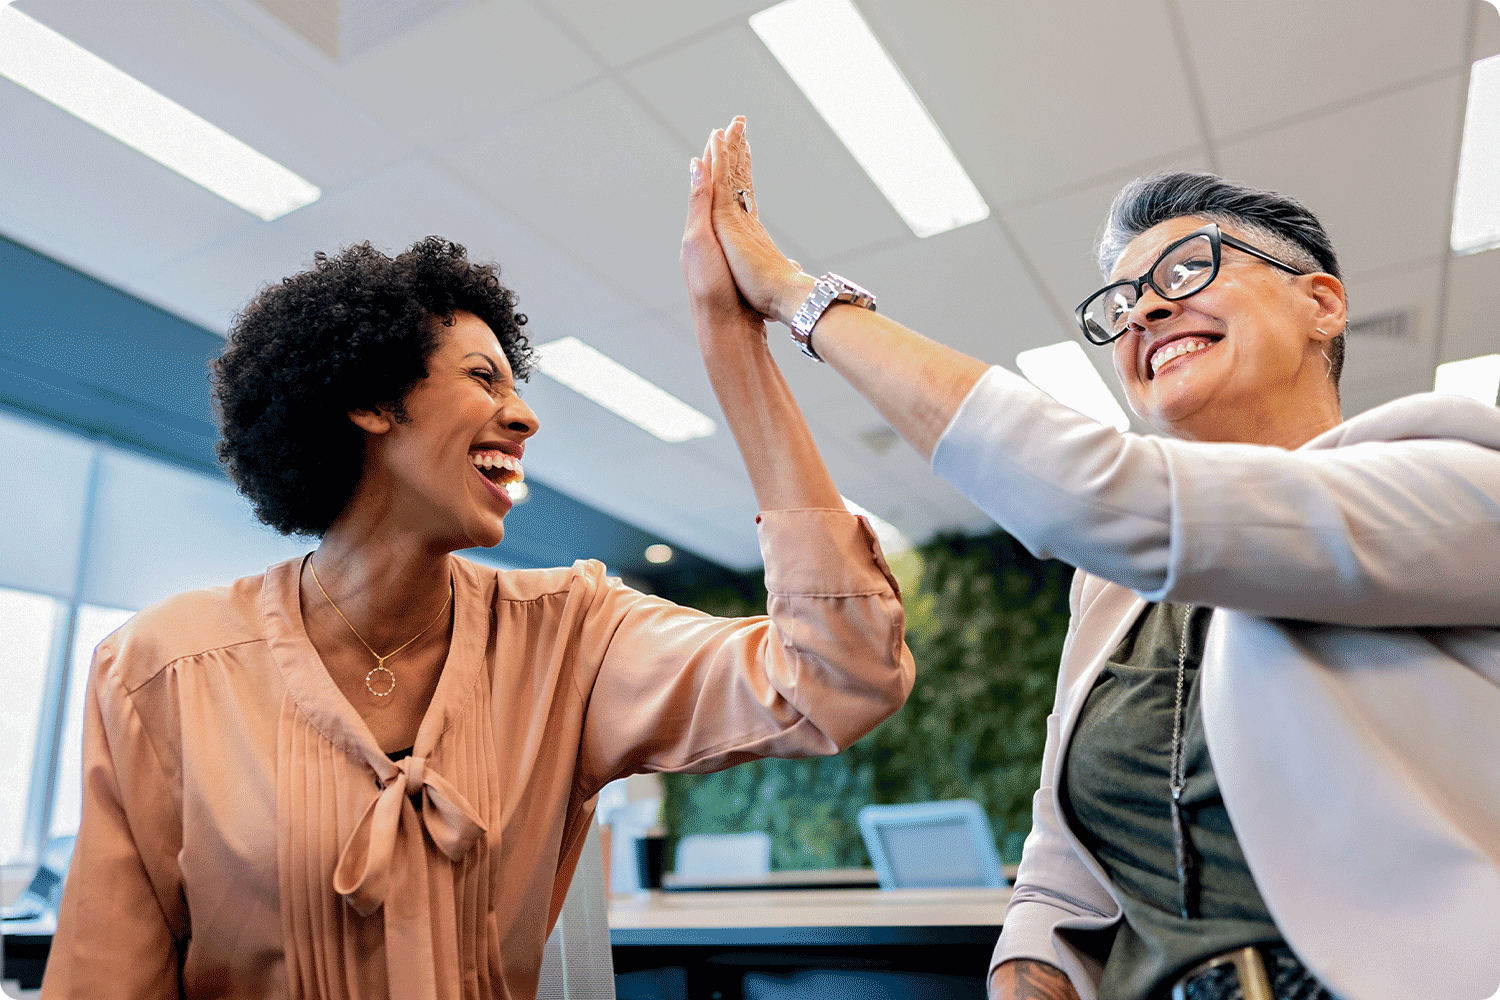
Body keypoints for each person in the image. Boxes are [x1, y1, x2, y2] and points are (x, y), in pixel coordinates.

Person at [691, 116, 1500, 1000]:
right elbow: (1062, 872)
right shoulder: (1112, 590)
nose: (1144, 309)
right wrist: (1028, 975)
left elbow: (1109, 497)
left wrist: (795, 296)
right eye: (1118, 307)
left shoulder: (1461, 479)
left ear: (1322, 304)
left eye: (1189, 268)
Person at [42, 235, 914, 999]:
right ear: (373, 401)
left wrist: (735, 347)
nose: (525, 415)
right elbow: (104, 980)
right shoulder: (161, 668)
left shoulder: (572, 637)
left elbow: (838, 675)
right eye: (482, 376)